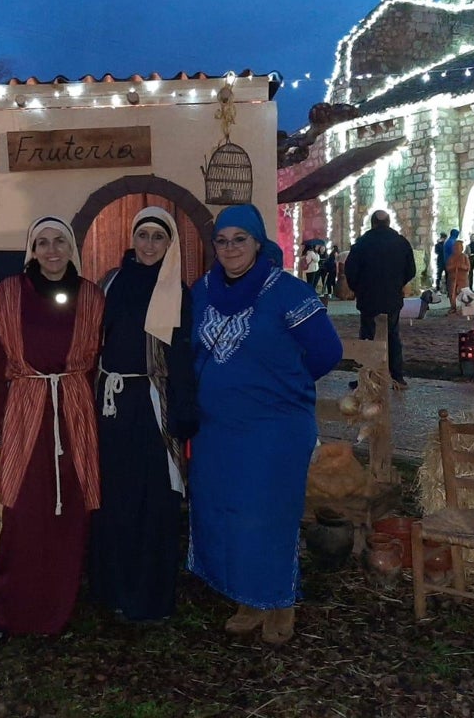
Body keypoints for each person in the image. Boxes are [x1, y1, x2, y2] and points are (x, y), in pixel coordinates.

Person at [189, 204, 343, 646]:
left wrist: (281, 386)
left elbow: (326, 352)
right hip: (218, 428)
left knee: (268, 511)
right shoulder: (201, 291)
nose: (231, 247)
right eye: (222, 240)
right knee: (229, 510)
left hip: (274, 428)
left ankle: (279, 600)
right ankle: (248, 597)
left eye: (241, 238)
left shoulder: (287, 292)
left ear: (259, 242)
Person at [0, 216, 106, 648]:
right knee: (22, 515)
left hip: (75, 410)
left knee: (70, 516)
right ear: (32, 250)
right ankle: (4, 612)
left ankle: (57, 611)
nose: (52, 250)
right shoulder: (7, 294)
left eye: (59, 241)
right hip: (27, 410)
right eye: (43, 242)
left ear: (71, 248)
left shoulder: (93, 297)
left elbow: (100, 366)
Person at [89, 206, 196, 623]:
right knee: (115, 495)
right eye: (143, 235)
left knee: (153, 498)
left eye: (159, 237)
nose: (149, 244)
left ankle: (148, 595)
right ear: (132, 239)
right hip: (112, 403)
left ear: (170, 244)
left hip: (154, 404)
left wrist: (184, 409)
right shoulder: (111, 284)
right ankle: (112, 588)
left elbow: (184, 356)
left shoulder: (178, 291)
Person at [344, 210, 416, 390]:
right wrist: (397, 284)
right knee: (392, 335)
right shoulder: (401, 243)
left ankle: (368, 378)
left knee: (368, 337)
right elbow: (411, 270)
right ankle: (397, 376)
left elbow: (350, 271)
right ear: (389, 222)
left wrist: (359, 289)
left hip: (368, 299)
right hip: (392, 299)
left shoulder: (362, 244)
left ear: (372, 223)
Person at [446, 239, 470, 314]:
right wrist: (453, 266)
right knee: (452, 293)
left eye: (458, 248)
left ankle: (466, 307)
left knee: (464, 293)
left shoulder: (464, 257)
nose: (456, 249)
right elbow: (448, 268)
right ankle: (453, 307)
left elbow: (468, 267)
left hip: (462, 280)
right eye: (455, 247)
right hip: (453, 279)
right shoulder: (451, 257)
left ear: (462, 248)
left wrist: (462, 266)